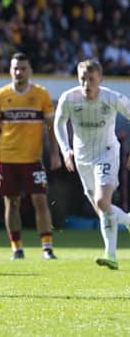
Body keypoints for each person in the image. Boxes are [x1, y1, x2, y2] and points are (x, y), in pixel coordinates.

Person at [53, 59, 130, 270]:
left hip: (106, 153)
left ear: (100, 79)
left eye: (91, 79)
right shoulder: (69, 98)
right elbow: (58, 123)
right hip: (81, 157)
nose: (86, 84)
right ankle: (111, 254)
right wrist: (65, 150)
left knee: (102, 201)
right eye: (83, 79)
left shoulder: (112, 98)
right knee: (101, 208)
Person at [0, 52, 61, 260]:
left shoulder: (41, 94)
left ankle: (47, 247)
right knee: (11, 203)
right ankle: (16, 248)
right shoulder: (1, 96)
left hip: (33, 159)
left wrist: (55, 154)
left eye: (23, 68)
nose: (19, 72)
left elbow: (50, 128)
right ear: (10, 71)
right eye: (15, 68)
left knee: (40, 200)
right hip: (7, 159)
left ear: (30, 71)